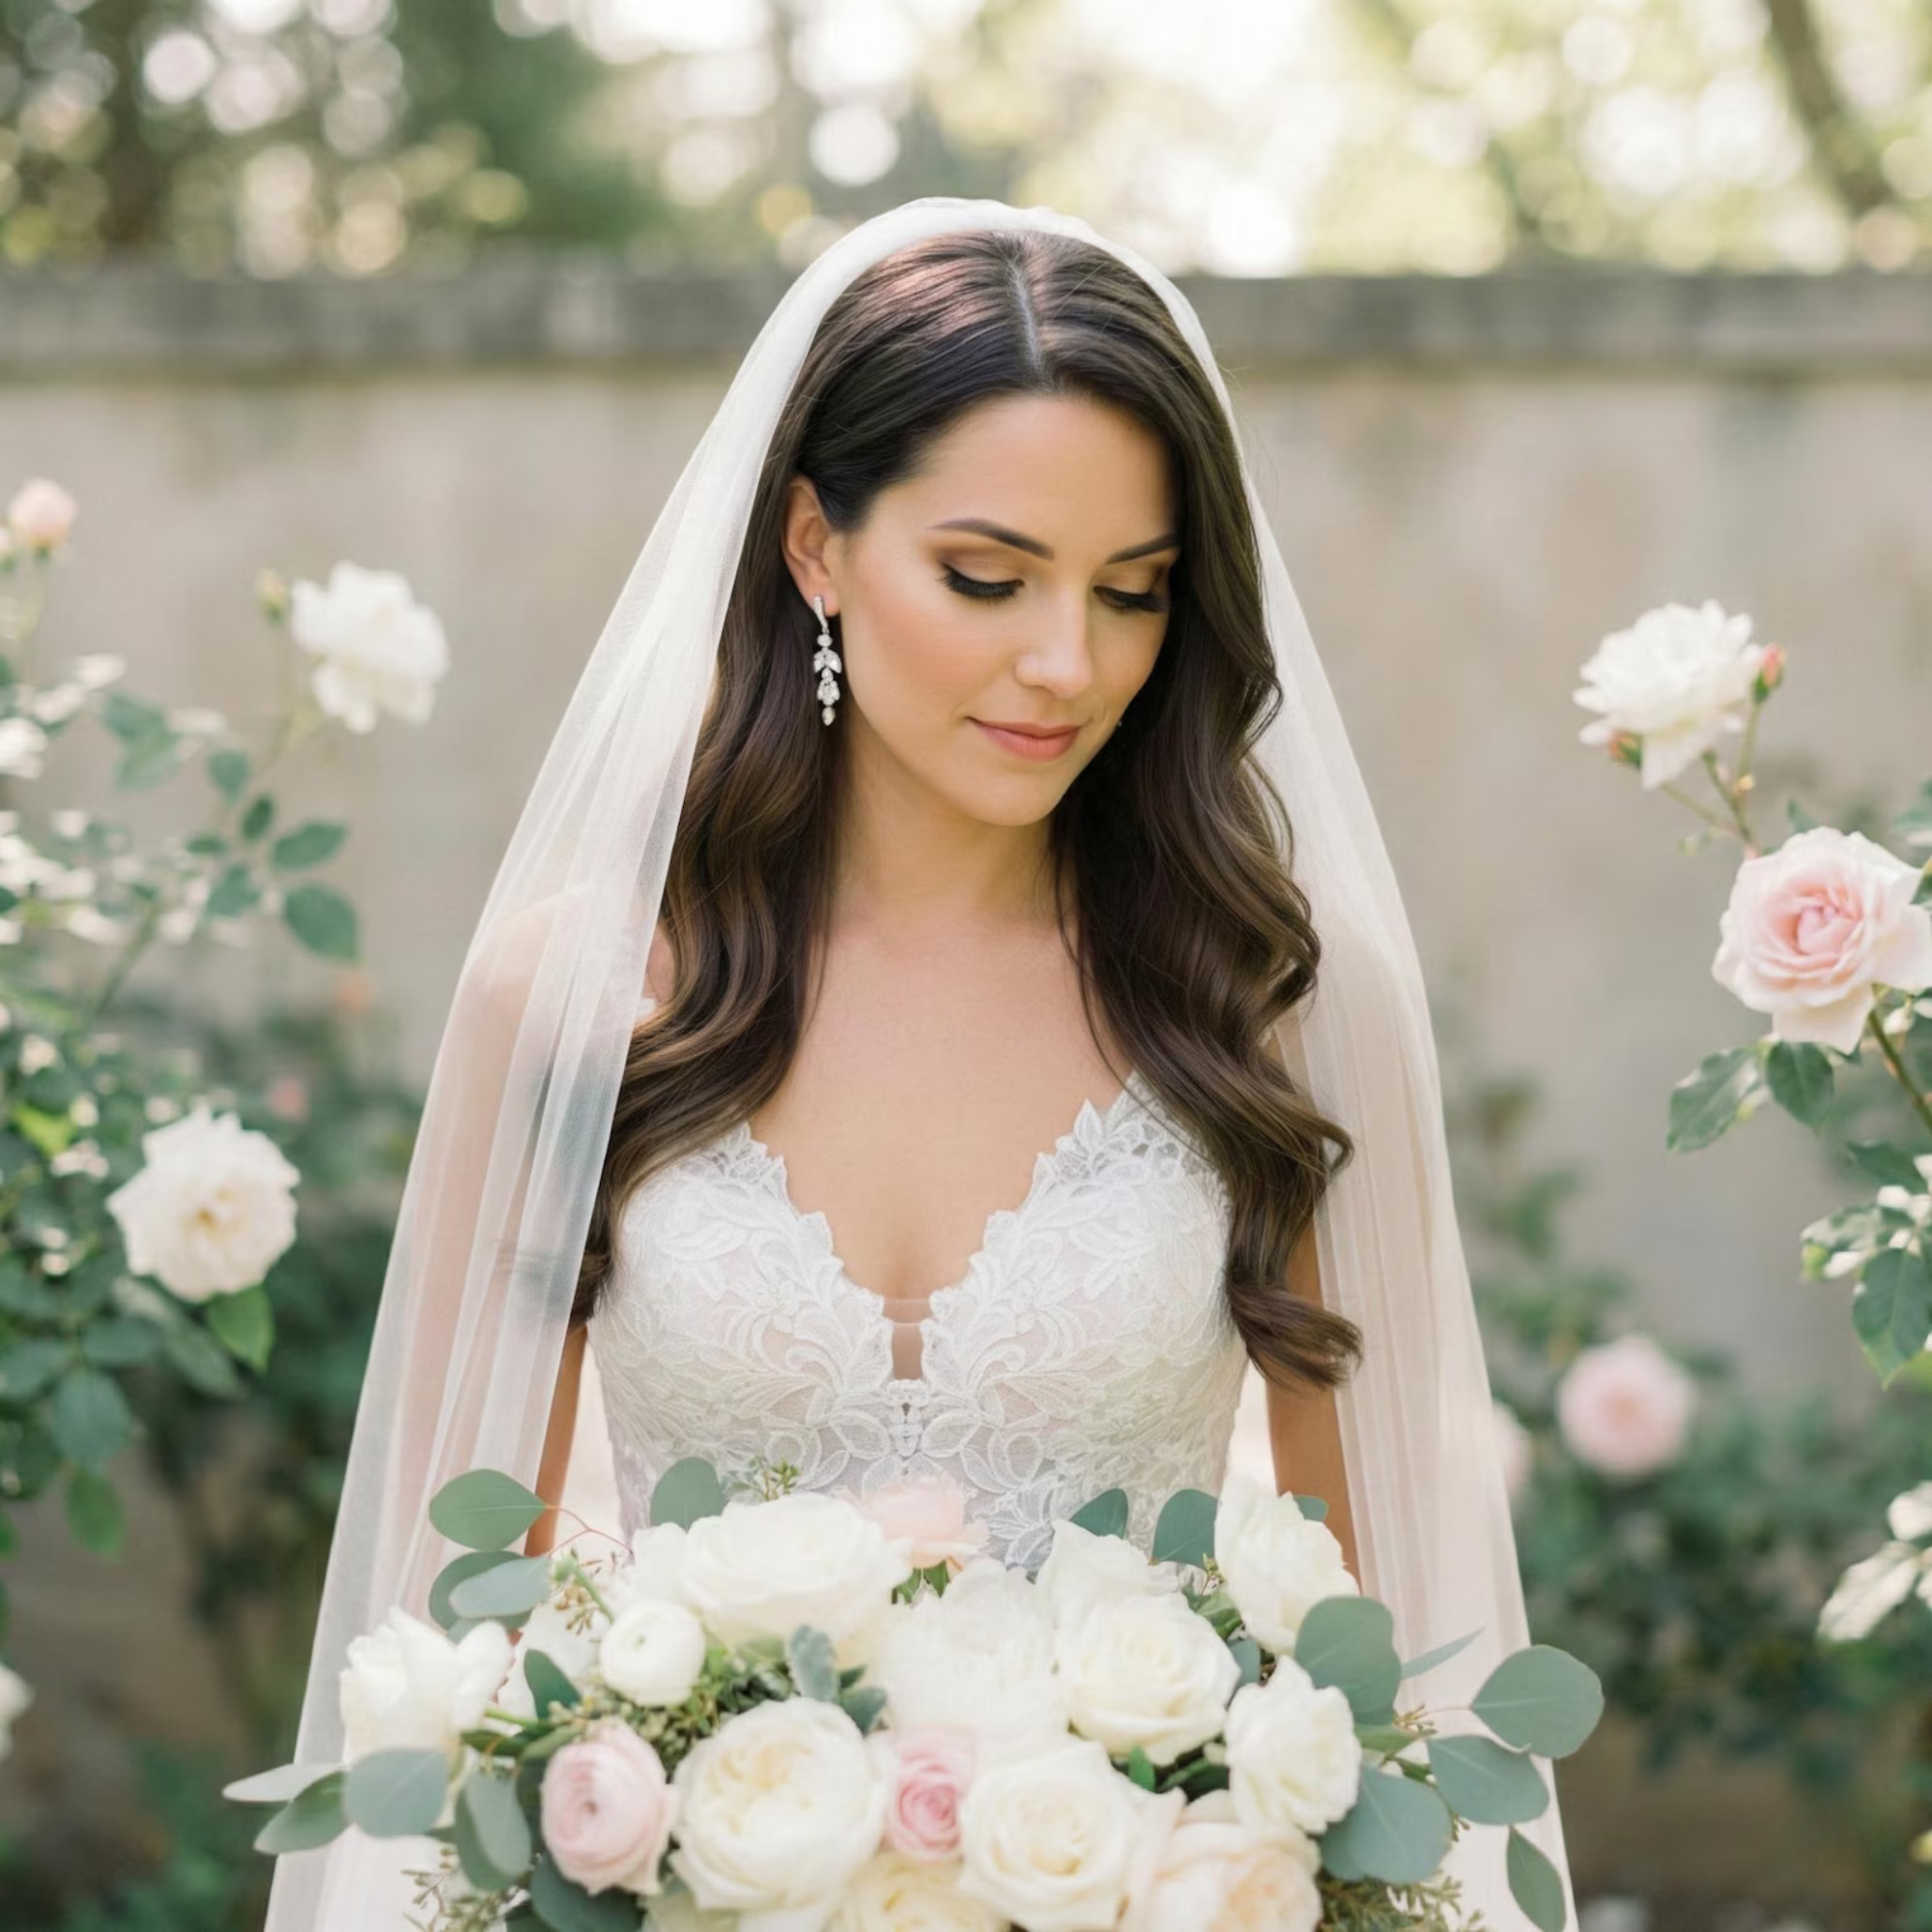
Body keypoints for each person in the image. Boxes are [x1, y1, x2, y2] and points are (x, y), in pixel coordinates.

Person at [266, 198, 1575, 1928]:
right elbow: (451, 1642)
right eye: (987, 577)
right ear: (815, 544)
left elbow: (1384, 1661)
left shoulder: (1274, 997)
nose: (1068, 662)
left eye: (1133, 592)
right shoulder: (576, 997)